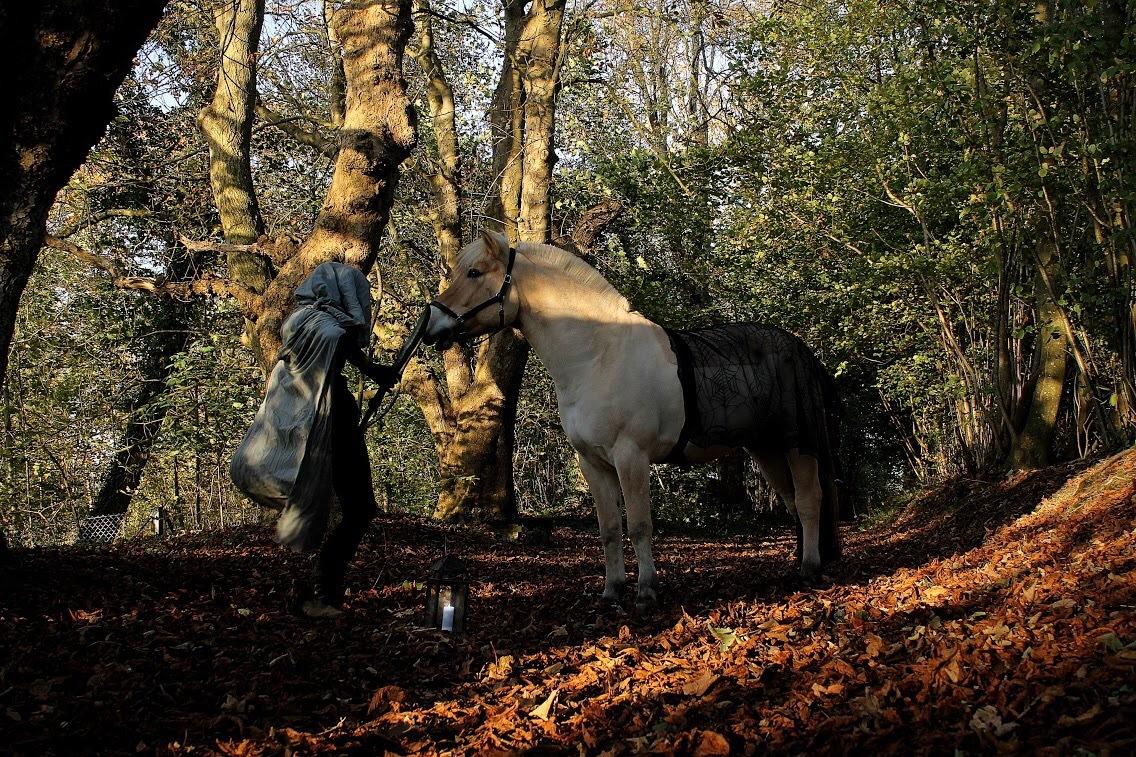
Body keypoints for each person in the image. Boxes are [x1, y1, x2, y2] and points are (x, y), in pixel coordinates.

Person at [231, 262, 397, 619]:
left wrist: (372, 370)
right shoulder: (322, 324)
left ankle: (319, 590)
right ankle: (321, 592)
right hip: (327, 420)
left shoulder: (300, 320)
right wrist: (373, 370)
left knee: (352, 509)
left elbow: (337, 344)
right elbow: (336, 339)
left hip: (330, 415)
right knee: (355, 508)